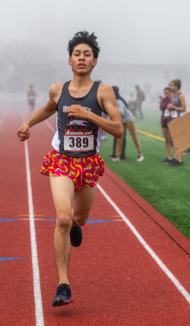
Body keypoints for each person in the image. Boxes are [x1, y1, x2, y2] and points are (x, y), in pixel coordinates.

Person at [16, 31, 123, 307]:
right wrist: (28, 124)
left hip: (88, 162)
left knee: (80, 218)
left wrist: (89, 114)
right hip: (62, 160)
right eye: (77, 54)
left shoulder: (103, 91)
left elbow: (118, 129)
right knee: (62, 218)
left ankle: (77, 223)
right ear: (69, 59)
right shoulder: (57, 88)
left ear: (95, 61)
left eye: (87, 54)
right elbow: (49, 108)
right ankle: (63, 284)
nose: (82, 58)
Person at [110, 86, 143, 162]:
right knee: (119, 138)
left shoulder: (118, 101)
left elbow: (120, 112)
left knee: (134, 136)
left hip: (129, 120)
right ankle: (117, 156)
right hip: (122, 121)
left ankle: (140, 154)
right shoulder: (114, 100)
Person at [166, 79, 186, 166]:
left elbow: (184, 109)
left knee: (179, 141)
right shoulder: (173, 95)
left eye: (171, 85)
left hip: (180, 120)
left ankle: (180, 161)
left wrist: (173, 107)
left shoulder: (181, 96)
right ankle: (175, 158)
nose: (170, 87)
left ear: (176, 86)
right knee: (174, 140)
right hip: (174, 119)